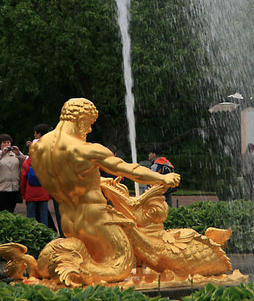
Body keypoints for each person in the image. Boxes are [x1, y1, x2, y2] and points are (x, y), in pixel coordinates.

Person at [29, 98, 180, 283]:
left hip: (68, 221)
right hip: (96, 220)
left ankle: (43, 268)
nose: (90, 130)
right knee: (121, 266)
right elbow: (128, 169)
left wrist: (97, 180)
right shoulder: (86, 150)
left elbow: (66, 178)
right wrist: (162, 178)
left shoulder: (37, 148)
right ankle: (72, 272)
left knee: (84, 255)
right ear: (81, 119)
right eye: (90, 124)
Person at [0, 133, 26, 212]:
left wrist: (18, 153)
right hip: (2, 188)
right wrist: (2, 154)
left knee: (11, 210)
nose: (7, 144)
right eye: (4, 143)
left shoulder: (15, 154)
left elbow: (24, 164)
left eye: (8, 142)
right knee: (2, 211)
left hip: (14, 187)